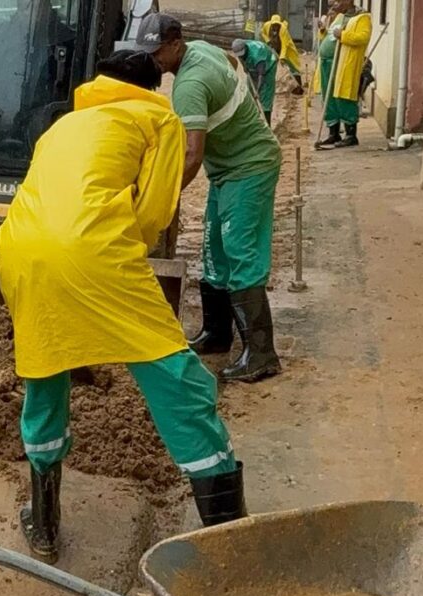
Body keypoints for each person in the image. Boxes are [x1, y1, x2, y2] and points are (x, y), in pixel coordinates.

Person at [0, 50, 249, 562]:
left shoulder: (64, 125)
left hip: (18, 249)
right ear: (154, 88)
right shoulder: (158, 118)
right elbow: (155, 210)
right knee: (179, 379)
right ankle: (229, 537)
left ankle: (43, 523)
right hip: (94, 250)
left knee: (45, 374)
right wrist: (122, 249)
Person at [135, 13, 283, 382]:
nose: (153, 60)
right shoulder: (202, 50)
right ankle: (218, 334)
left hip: (249, 167)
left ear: (176, 44)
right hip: (228, 169)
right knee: (214, 249)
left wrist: (163, 200)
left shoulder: (188, 86)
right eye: (148, 52)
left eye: (158, 53)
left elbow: (191, 155)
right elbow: (233, 64)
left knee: (240, 250)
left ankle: (262, 354)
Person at [316, 0, 372, 148]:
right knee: (328, 97)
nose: (333, 4)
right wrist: (323, 30)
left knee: (344, 97)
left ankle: (350, 135)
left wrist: (344, 35)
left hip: (344, 63)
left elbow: (363, 37)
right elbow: (329, 35)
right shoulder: (340, 17)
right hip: (327, 63)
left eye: (336, 0)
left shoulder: (363, 17)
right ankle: (333, 133)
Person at [230, 38, 279, 125]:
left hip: (268, 67)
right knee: (249, 91)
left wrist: (257, 91)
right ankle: (253, 119)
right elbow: (241, 58)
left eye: (242, 55)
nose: (240, 56)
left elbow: (261, 75)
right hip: (254, 65)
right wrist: (244, 66)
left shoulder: (257, 56)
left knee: (265, 95)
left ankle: (267, 125)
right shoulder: (242, 46)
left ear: (245, 49)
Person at [260, 14, 305, 95]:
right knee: (271, 65)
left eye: (277, 25)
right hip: (274, 48)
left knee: (293, 67)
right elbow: (262, 32)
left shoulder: (283, 29)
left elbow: (284, 45)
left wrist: (282, 57)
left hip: (287, 51)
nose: (275, 27)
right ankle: (271, 85)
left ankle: (299, 88)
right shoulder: (266, 25)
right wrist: (267, 41)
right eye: (274, 25)